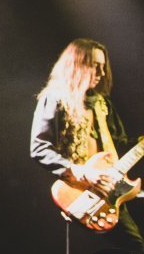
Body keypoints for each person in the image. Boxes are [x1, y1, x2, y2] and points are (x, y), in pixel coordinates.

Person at [30, 38, 144, 252]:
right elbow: (39, 148)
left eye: (103, 67)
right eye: (95, 66)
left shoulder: (101, 102)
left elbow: (118, 144)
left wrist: (139, 144)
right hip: (77, 192)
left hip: (108, 191)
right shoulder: (55, 99)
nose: (101, 73)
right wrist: (82, 172)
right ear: (76, 65)